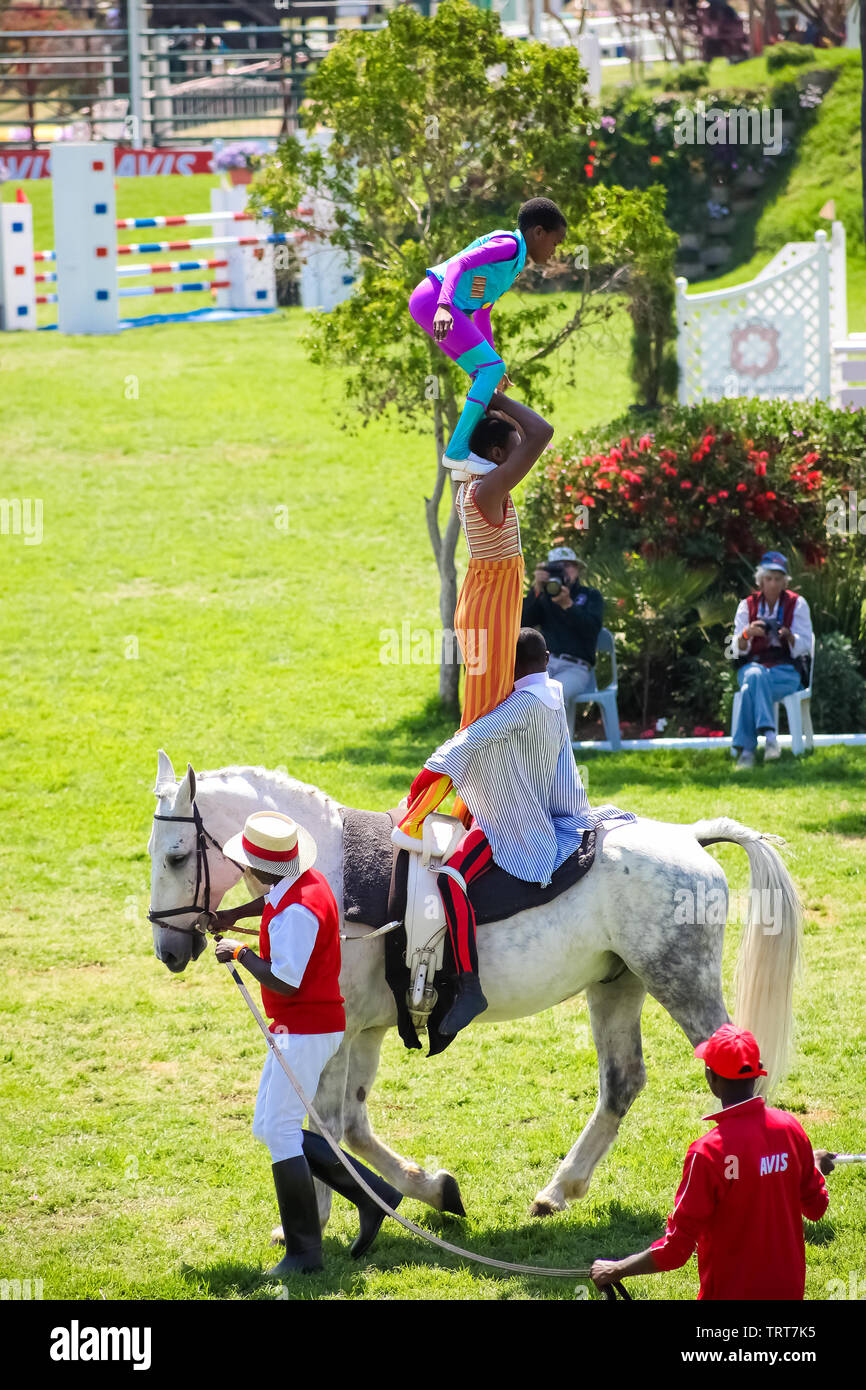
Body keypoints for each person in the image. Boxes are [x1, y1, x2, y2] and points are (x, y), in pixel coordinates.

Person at [211, 810, 402, 1276]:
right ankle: (374, 1196)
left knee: (278, 1130)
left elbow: (286, 982)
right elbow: (274, 902)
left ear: (256, 870)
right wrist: (235, 914)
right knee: (267, 1126)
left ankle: (304, 1253)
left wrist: (239, 952)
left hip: (304, 1030)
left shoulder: (295, 911)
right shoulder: (303, 881)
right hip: (303, 1028)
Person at [403, 628, 595, 1038]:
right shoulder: (554, 693)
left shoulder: (521, 705)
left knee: (450, 879)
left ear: (510, 668)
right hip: (551, 806)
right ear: (545, 660)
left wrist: (424, 783)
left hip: (511, 821)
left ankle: (470, 986)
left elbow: (469, 741)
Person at [392, 392, 553, 846]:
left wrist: (489, 399)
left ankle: (469, 817)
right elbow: (541, 433)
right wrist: (497, 397)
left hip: (488, 602)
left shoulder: (482, 482)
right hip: (489, 610)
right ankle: (415, 819)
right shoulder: (487, 489)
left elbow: (524, 436)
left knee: (488, 718)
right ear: (499, 456)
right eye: (512, 444)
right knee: (479, 724)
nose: (523, 446)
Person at [591, 1023, 830, 1300]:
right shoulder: (791, 1130)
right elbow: (816, 1208)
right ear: (757, 1071)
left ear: (711, 1078)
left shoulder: (707, 1153)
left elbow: (676, 1250)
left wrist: (616, 1269)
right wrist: (811, 1166)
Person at [409, 197, 567, 477]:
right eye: (555, 242)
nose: (555, 251)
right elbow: (458, 265)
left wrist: (493, 366)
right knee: (492, 368)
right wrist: (444, 306)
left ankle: (465, 458)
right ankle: (456, 452)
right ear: (538, 232)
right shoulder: (509, 245)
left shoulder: (513, 264)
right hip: (434, 300)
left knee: (490, 371)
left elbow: (483, 311)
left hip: (434, 303)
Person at [728, 550, 813, 770]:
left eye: (777, 579)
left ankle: (746, 752)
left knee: (750, 688)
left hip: (786, 671)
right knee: (755, 674)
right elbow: (736, 649)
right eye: (768, 579)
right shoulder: (747, 605)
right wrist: (747, 634)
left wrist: (790, 637)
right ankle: (770, 738)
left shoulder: (798, 604)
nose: (773, 584)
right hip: (753, 665)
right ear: (761, 581)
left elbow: (805, 644)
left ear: (785, 582)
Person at [522, 546, 603, 739]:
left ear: (577, 569)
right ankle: (531, 748)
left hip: (577, 668)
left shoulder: (591, 596)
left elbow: (592, 630)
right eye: (557, 567)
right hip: (545, 665)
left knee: (554, 693)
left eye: (568, 566)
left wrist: (568, 605)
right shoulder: (543, 597)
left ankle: (558, 750)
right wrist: (536, 590)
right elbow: (523, 624)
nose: (564, 570)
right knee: (525, 694)